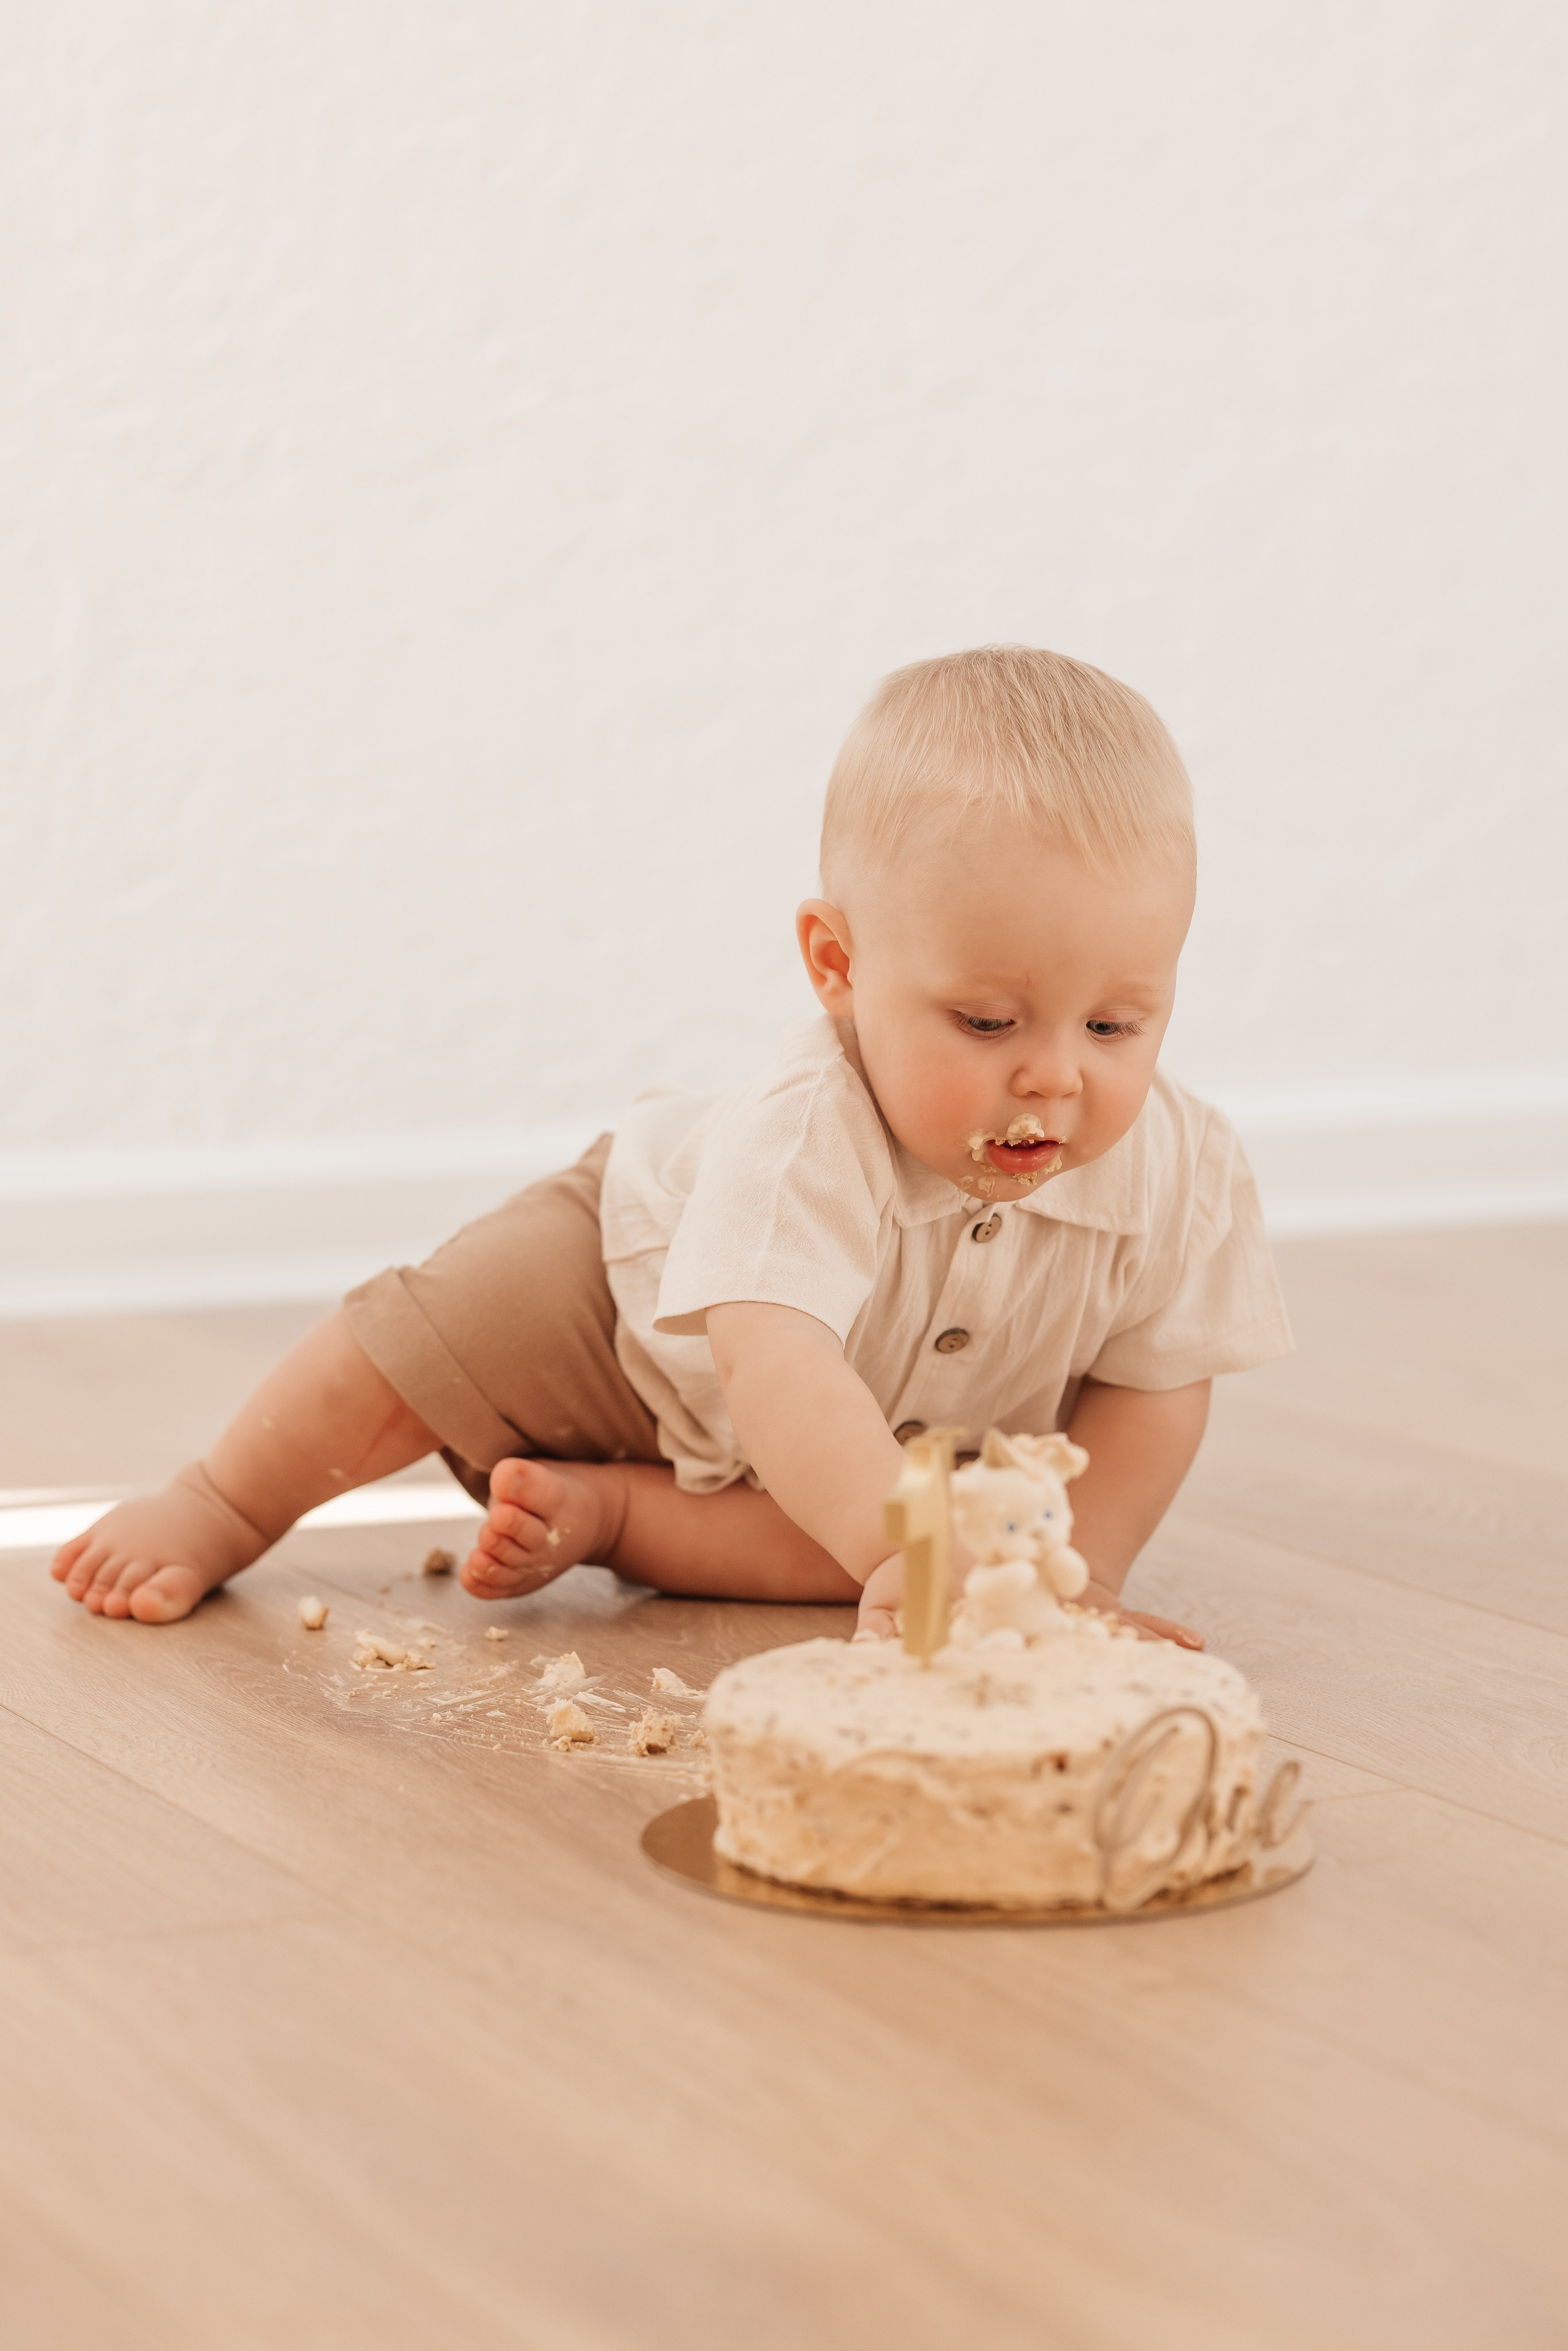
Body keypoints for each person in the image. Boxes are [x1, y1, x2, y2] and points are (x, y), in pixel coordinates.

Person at [52, 646, 1291, 1645]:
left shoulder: (1180, 1172)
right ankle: (222, 1498)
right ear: (838, 965)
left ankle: (612, 1514)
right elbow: (777, 1365)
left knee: (896, 1530)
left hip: (864, 1439)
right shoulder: (804, 1132)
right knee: (429, 1337)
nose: (1056, 1074)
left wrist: (1076, 1572)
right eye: (985, 1021)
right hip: (624, 1296)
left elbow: (1152, 1390)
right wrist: (908, 1554)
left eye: (1115, 1025)